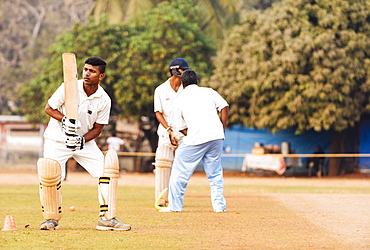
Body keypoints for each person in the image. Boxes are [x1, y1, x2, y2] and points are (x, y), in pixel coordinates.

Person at [37, 56, 131, 231]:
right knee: (50, 176)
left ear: (101, 76)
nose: (87, 74)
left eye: (92, 71)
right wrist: (63, 119)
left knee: (106, 173)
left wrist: (82, 140)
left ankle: (106, 218)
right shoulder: (69, 87)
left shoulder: (104, 99)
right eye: (85, 70)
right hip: (57, 139)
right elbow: (49, 108)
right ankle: (50, 219)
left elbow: (98, 129)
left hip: (83, 142)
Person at [160, 69, 229, 212]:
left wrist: (194, 134)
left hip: (196, 138)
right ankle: (219, 207)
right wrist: (221, 127)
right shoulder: (209, 91)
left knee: (180, 172)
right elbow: (224, 106)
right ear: (197, 82)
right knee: (215, 173)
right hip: (216, 136)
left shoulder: (179, 99)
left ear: (182, 84)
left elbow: (180, 127)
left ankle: (175, 206)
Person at [153, 58, 190, 207]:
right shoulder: (161, 89)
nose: (186, 73)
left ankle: (176, 199)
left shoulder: (188, 89)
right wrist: (168, 130)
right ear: (175, 71)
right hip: (165, 132)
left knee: (180, 167)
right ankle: (161, 199)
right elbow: (158, 113)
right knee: (162, 165)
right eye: (183, 70)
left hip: (183, 133)